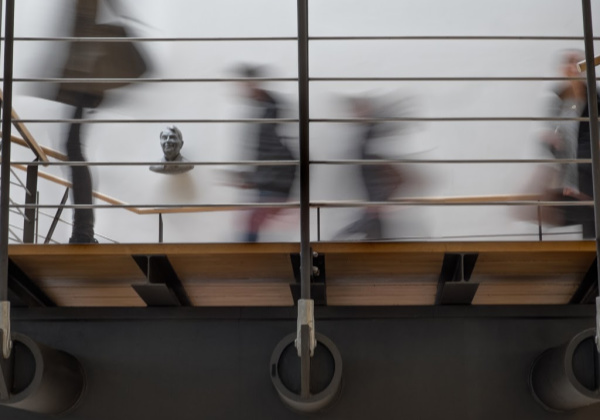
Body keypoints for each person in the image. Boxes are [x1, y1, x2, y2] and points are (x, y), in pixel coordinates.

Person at [56, 0, 147, 243]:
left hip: (87, 78)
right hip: (88, 78)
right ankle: (83, 230)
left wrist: (75, 74)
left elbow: (85, 24)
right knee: (73, 148)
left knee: (73, 148)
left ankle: (83, 231)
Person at [537, 49, 600, 238]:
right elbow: (553, 139)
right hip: (576, 170)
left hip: (590, 167)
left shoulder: (594, 97)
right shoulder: (559, 98)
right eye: (569, 63)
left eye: (577, 63)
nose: (573, 67)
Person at [231, 64, 297, 242]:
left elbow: (273, 152)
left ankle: (247, 255)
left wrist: (251, 177)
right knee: (251, 223)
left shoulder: (271, 113)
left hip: (274, 184)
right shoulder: (265, 111)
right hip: (270, 182)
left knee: (251, 223)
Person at [334, 95, 406, 240]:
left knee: (341, 239)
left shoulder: (372, 138)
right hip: (373, 206)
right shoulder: (368, 135)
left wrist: (380, 201)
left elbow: (391, 174)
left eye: (356, 109)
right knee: (376, 238)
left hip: (374, 206)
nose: (353, 114)